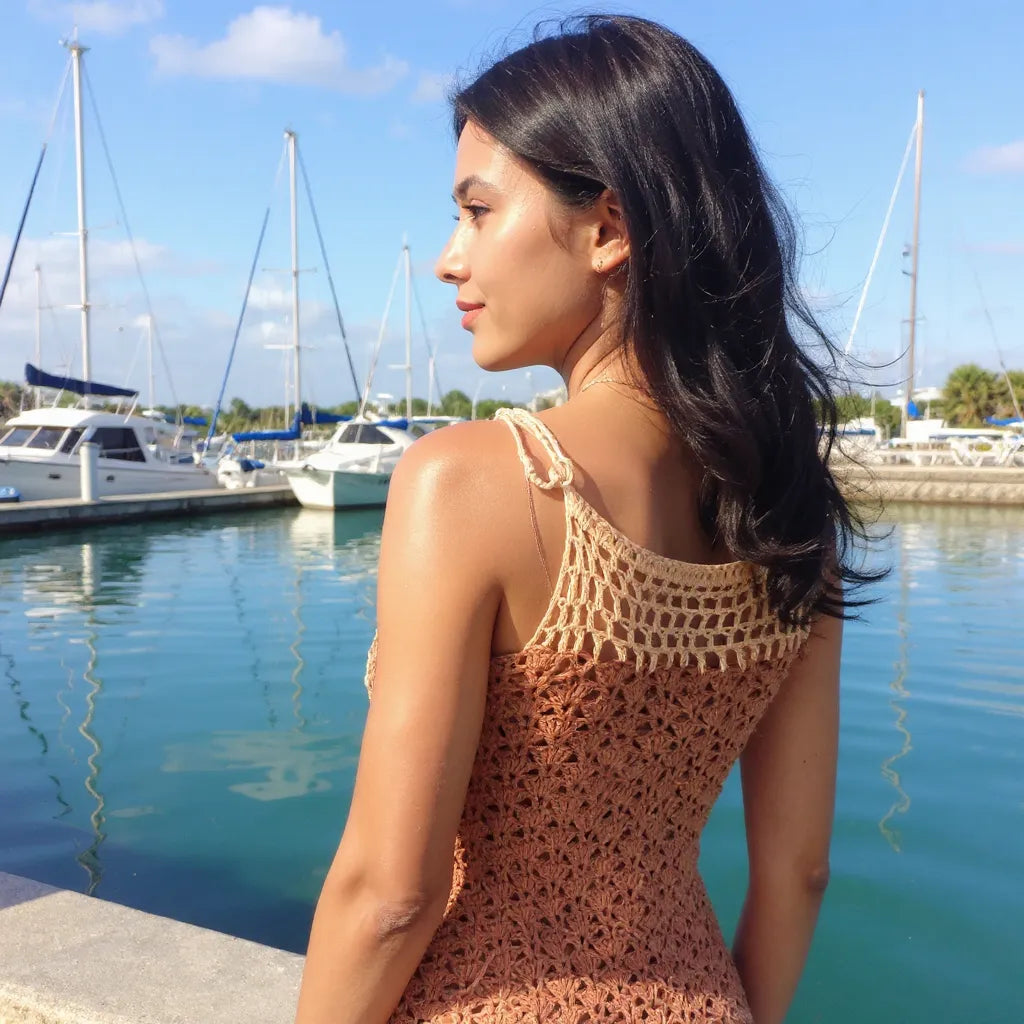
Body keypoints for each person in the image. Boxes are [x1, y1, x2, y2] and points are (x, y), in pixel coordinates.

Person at [295, 14, 878, 1024]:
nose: (449, 258)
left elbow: (392, 894)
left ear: (609, 227)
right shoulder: (787, 512)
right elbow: (799, 870)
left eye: (477, 212)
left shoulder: (470, 479)